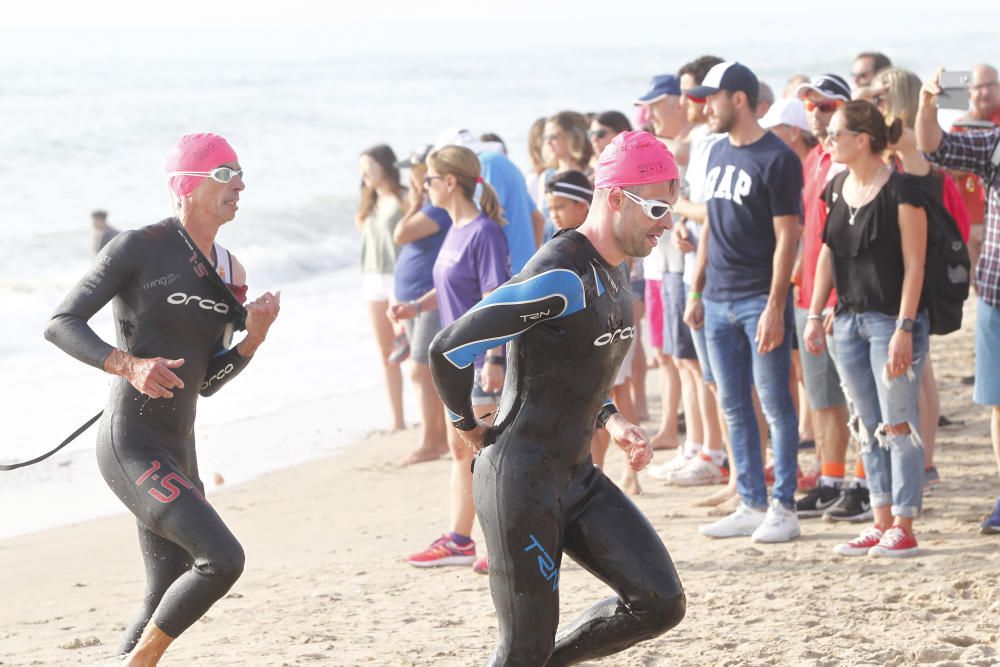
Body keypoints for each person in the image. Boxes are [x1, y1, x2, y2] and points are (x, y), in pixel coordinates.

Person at [429, 130, 684, 665]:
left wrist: (611, 419)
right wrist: (466, 426)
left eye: (672, 207)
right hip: (520, 482)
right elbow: (449, 348)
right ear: (616, 198)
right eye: (659, 207)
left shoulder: (618, 261)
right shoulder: (560, 272)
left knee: (658, 602)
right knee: (524, 646)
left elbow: (575, 363)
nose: (668, 221)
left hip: (576, 475)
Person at [44, 133, 280, 665]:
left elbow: (206, 381)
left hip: (178, 447)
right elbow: (61, 324)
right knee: (221, 559)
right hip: (131, 443)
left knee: (165, 587)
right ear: (186, 187)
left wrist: (254, 338)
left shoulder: (230, 272)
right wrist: (128, 364)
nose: (239, 183)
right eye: (225, 174)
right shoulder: (139, 247)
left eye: (241, 172)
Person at [684, 62, 804, 543]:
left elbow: (787, 238)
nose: (704, 107)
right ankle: (751, 502)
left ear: (738, 100)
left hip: (759, 298)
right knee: (733, 404)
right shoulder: (715, 153)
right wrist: (696, 289)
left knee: (775, 405)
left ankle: (785, 506)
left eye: (711, 98)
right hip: (716, 300)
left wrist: (776, 305)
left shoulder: (778, 158)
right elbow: (711, 224)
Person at [805, 101, 929, 557]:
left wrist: (904, 327)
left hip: (889, 322)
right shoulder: (836, 186)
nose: (828, 141)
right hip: (848, 321)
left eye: (835, 134)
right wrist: (816, 313)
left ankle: (904, 522)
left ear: (862, 140)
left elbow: (916, 266)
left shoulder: (902, 191)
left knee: (898, 424)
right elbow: (827, 254)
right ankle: (879, 519)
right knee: (866, 423)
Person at [400, 145, 510, 573]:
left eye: (429, 179)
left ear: (449, 182)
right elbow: (451, 288)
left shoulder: (484, 231)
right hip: (455, 360)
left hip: (481, 358)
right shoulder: (456, 226)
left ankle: (497, 543)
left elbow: (495, 300)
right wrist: (414, 307)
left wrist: (496, 358)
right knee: (460, 451)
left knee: (483, 453)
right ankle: (459, 539)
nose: (424, 187)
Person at [917, 68, 1000, 535]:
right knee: (998, 404)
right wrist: (929, 102)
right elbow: (935, 146)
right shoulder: (993, 143)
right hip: (994, 292)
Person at [790, 73, 873, 522]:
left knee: (858, 397)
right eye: (812, 107)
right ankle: (832, 479)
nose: (817, 114)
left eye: (826, 106)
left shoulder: (851, 160)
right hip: (812, 291)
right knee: (821, 394)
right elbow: (811, 228)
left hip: (846, 294)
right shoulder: (815, 159)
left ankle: (863, 482)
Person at [390, 144, 451, 465]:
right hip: (415, 297)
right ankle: (434, 435)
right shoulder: (429, 205)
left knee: (421, 369)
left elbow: (401, 233)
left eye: (412, 172)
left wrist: (415, 200)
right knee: (422, 370)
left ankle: (433, 440)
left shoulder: (435, 208)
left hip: (429, 297)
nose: (410, 179)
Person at [357, 144, 407, 430]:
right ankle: (397, 420)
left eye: (369, 166)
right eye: (361, 168)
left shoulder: (403, 198)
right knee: (386, 352)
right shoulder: (368, 202)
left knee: (409, 350)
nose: (364, 173)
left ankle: (432, 417)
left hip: (398, 278)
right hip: (372, 278)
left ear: (386, 166)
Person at [944, 64, 1000, 287]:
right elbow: (945, 163)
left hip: (994, 219)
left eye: (990, 85)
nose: (984, 92)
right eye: (979, 87)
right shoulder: (960, 125)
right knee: (974, 283)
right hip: (967, 219)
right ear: (969, 91)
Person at [545, 111, 593, 178]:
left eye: (553, 137)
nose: (548, 142)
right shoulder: (547, 177)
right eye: (546, 137)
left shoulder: (596, 177)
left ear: (572, 138)